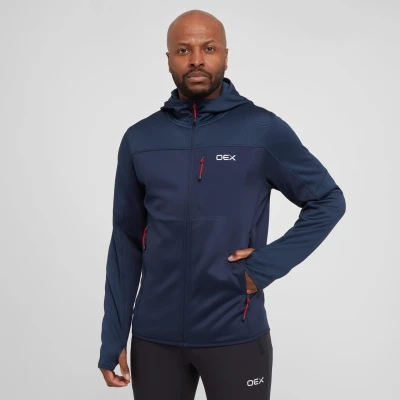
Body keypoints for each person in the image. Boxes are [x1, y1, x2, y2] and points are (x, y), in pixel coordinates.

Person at [97, 9, 346, 400]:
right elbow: (126, 241)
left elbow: (328, 200)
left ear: (225, 56)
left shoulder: (261, 130)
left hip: (235, 333)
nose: (196, 59)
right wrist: (113, 336)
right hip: (155, 339)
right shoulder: (140, 139)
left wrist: (263, 267)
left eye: (208, 48)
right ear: (169, 59)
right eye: (184, 50)